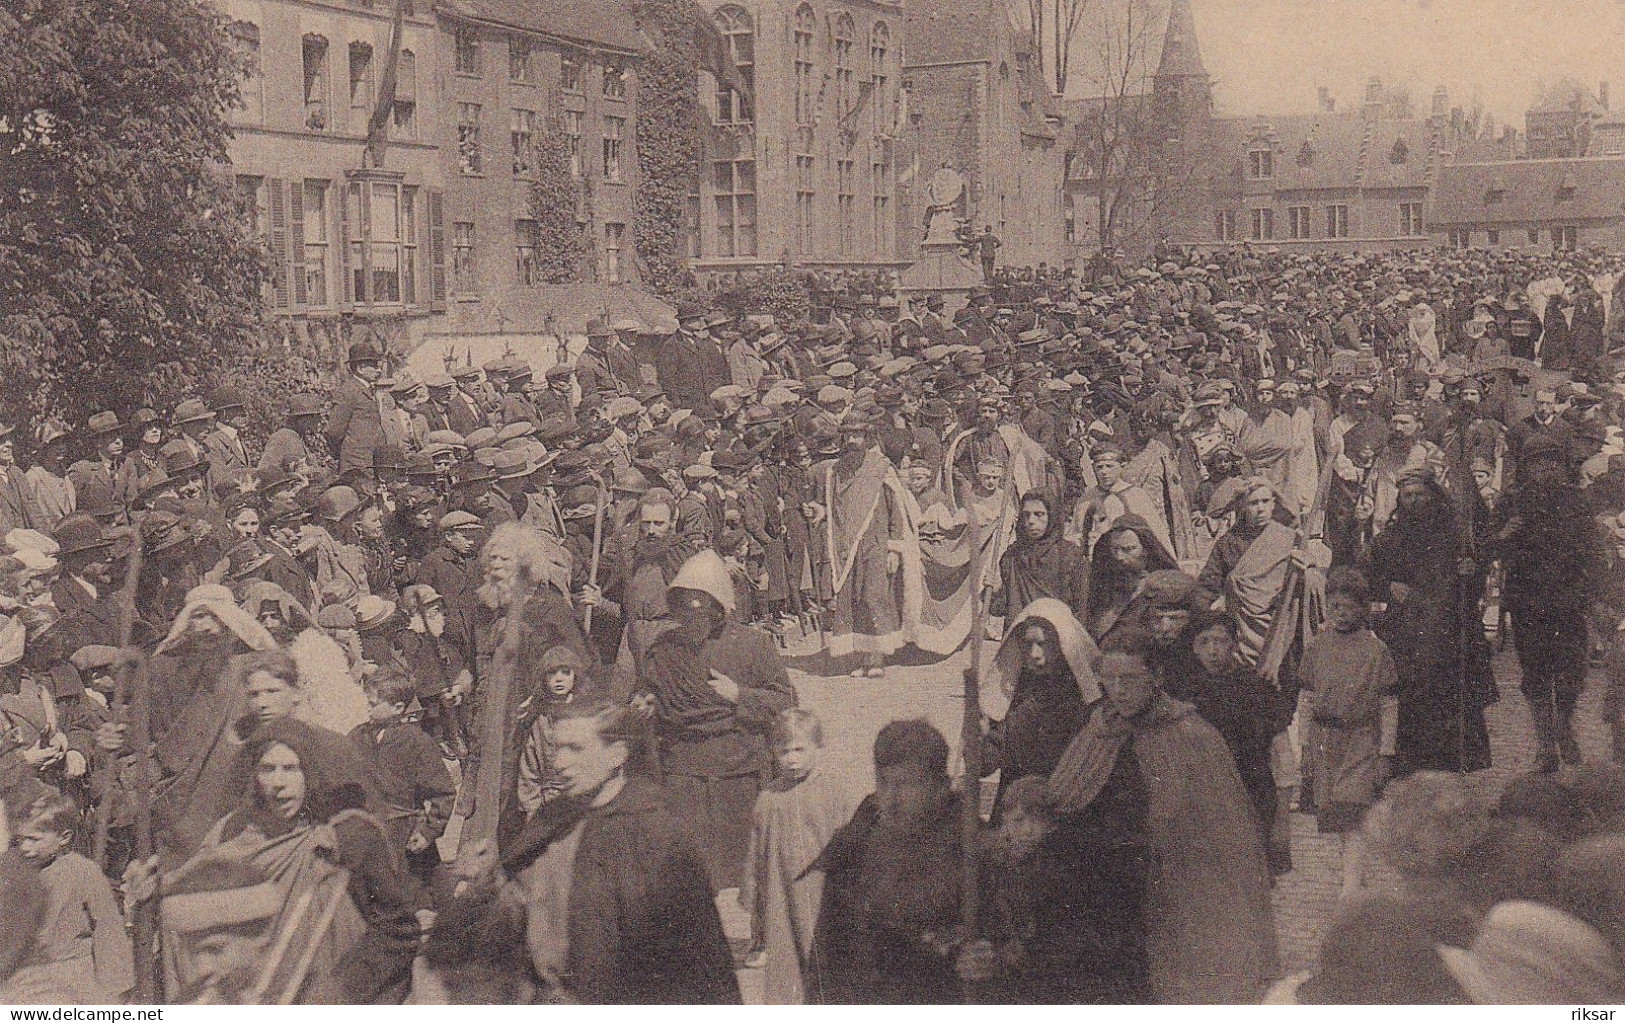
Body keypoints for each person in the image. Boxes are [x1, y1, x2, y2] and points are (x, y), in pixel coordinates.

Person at [446, 701, 741, 1003]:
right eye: (557, 748)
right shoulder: (553, 820)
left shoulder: (656, 837)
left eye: (575, 749)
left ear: (617, 755)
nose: (559, 763)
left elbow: (704, 965)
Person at [126, 717, 420, 1003]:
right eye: (267, 769)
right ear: (254, 775)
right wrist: (153, 890)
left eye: (291, 769)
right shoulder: (235, 831)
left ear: (310, 773)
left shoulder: (344, 838)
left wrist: (340, 992)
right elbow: (198, 894)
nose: (278, 782)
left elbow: (398, 932)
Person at [1047, 645, 1278, 1003]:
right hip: (1105, 881)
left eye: (1130, 679)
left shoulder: (1189, 734)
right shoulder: (1098, 731)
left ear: (1155, 678)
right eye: (1109, 679)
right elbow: (1066, 798)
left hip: (1168, 878)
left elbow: (1216, 824)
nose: (1119, 689)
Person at [636, 549, 795, 890]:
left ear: (718, 604)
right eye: (682, 603)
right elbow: (646, 694)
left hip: (737, 771)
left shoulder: (752, 644)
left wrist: (739, 695)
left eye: (699, 602)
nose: (690, 611)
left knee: (745, 875)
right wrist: (644, 704)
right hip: (684, 772)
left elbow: (786, 701)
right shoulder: (663, 646)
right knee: (689, 877)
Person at [807, 719, 965, 1004]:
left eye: (906, 785)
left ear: (941, 787)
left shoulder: (969, 845)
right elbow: (827, 952)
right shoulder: (857, 842)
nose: (890, 799)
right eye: (883, 782)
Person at [1368, 468, 1494, 776]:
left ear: (1433, 495)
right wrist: (1388, 587)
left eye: (1419, 494)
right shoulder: (1389, 538)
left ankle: (1454, 758)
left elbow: (1475, 587)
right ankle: (1412, 759)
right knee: (1409, 690)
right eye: (1407, 495)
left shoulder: (1455, 534)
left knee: (1451, 690)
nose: (1413, 501)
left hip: (1449, 624)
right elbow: (1368, 577)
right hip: (1408, 627)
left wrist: (1471, 570)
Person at [740, 708, 857, 1005]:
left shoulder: (833, 792)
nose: (792, 759)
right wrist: (753, 895)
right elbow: (757, 852)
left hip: (824, 895)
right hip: (780, 896)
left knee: (825, 961)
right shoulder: (769, 798)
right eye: (784, 751)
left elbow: (851, 845)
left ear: (818, 746)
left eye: (799, 749)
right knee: (786, 965)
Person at [1298, 567, 1399, 898]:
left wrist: (1386, 750)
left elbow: (1387, 703)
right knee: (1340, 815)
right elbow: (1307, 699)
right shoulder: (1316, 648)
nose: (1341, 615)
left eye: (1349, 608)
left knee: (1353, 809)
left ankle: (1351, 885)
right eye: (1334, 607)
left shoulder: (1376, 651)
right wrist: (1304, 746)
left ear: (1363, 609)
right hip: (1326, 741)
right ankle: (1354, 871)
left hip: (1361, 738)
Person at [0, 794, 132, 1003]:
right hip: (25, 977)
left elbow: (108, 928)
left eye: (34, 839)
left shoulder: (81, 871)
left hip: (71, 975)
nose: (25, 847)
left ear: (64, 837)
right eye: (19, 840)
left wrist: (116, 987)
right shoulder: (15, 874)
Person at [349, 669, 456, 887]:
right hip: (370, 833)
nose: (366, 706)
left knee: (419, 894)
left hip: (407, 834)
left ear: (397, 708)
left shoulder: (416, 741)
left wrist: (427, 832)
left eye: (373, 703)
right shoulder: (356, 737)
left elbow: (443, 792)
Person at [994, 491, 1089, 621]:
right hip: (1020, 635)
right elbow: (999, 608)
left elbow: (1083, 609)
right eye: (1026, 515)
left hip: (1058, 634)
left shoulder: (1070, 555)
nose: (1031, 521)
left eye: (1039, 514)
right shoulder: (1012, 556)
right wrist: (995, 589)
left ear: (1052, 516)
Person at [325, 342, 388, 475]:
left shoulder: (367, 389)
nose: (379, 370)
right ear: (360, 368)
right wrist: (348, 454)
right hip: (356, 465)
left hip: (371, 462)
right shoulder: (348, 391)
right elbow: (334, 432)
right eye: (375, 366)